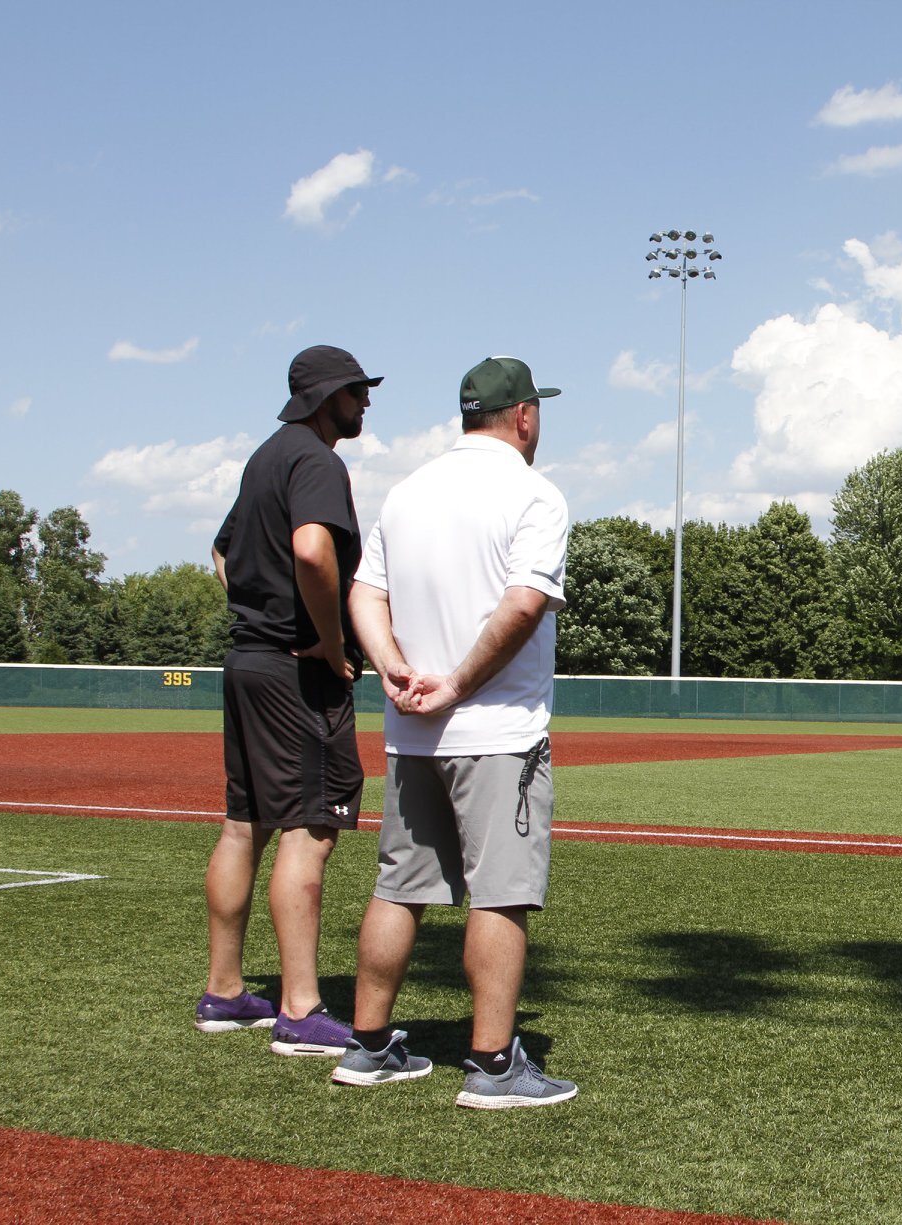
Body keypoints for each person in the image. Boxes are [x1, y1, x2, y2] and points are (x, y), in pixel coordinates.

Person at [337, 355, 576, 1108]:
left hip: (411, 733)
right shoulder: (535, 494)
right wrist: (457, 683)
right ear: (525, 417)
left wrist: (393, 667)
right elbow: (521, 605)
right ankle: (494, 1064)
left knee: (398, 889)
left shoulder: (407, 492)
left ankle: (369, 1046)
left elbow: (363, 592)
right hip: (496, 730)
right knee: (499, 897)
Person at [197, 345, 379, 1056]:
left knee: (244, 825)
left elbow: (221, 551)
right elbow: (311, 550)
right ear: (327, 395)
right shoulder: (315, 460)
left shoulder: (263, 458)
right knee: (309, 827)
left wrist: (258, 612)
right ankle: (300, 1009)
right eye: (357, 392)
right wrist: (329, 642)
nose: (365, 403)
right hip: (295, 673)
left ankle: (225, 990)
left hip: (247, 660)